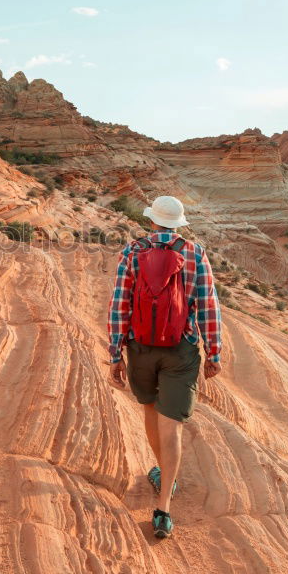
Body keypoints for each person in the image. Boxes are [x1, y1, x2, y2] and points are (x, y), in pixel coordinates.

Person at [106, 195, 223, 539]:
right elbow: (207, 305)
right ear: (179, 224)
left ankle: (161, 470)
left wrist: (116, 354)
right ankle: (163, 510)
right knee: (172, 427)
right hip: (180, 349)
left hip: (141, 346)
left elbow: (119, 305)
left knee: (150, 411)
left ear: (152, 220)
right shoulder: (194, 253)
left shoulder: (132, 251)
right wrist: (214, 353)